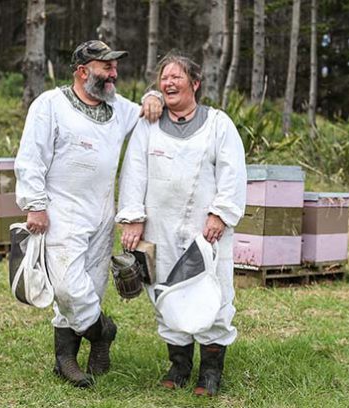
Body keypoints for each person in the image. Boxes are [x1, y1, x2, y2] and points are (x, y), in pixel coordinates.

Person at [14, 40, 163, 388]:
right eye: (105, 67)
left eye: (114, 67)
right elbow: (30, 157)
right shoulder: (50, 105)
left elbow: (146, 107)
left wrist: (154, 94)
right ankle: (102, 332)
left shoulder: (118, 108)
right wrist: (34, 204)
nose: (113, 73)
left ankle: (64, 360)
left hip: (100, 213)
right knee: (67, 288)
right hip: (59, 211)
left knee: (93, 288)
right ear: (83, 72)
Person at [116, 53, 247, 396]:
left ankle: (210, 372)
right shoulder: (147, 126)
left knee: (213, 291)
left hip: (207, 230)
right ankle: (179, 364)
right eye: (164, 78)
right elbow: (133, 173)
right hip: (160, 226)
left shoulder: (219, 124)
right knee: (165, 291)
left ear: (195, 84)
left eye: (176, 77)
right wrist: (132, 218)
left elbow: (232, 173)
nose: (169, 82)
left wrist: (220, 213)